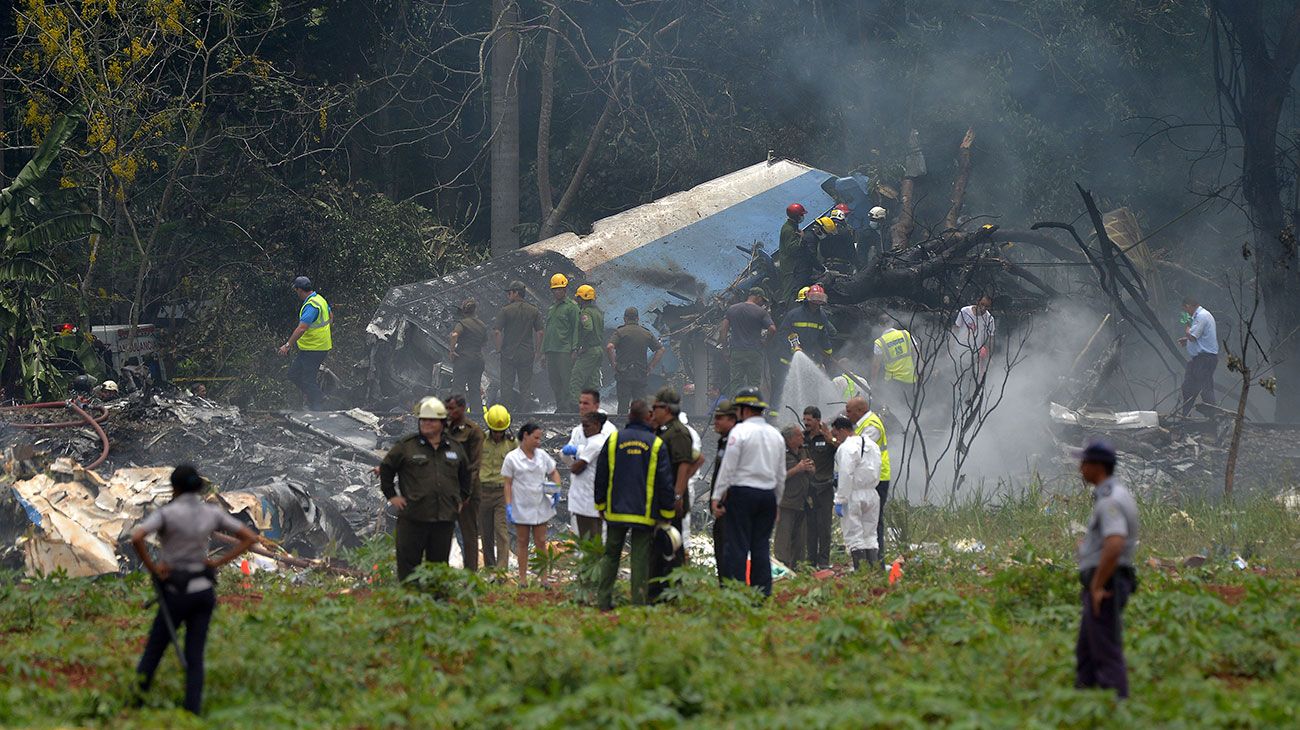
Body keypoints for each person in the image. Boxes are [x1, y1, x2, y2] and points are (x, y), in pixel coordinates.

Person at [130, 464, 257, 715]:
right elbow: (250, 538)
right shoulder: (210, 512)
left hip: (176, 592)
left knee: (155, 649)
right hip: (203, 591)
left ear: (175, 488)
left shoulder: (168, 514)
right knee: (195, 654)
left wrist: (154, 569)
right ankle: (192, 710)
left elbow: (137, 537)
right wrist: (217, 562)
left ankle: (136, 704)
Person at [593, 400, 675, 609]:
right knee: (639, 558)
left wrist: (600, 505)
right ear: (647, 417)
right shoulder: (655, 444)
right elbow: (665, 482)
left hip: (615, 511)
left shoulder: (613, 440)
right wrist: (667, 512)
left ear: (630, 416)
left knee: (611, 556)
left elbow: (601, 475)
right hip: (644, 512)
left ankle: (603, 601)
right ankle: (638, 603)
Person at [1074, 439, 1139, 699]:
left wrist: (1098, 585)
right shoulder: (1112, 494)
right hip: (1104, 580)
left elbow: (1114, 544)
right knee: (1087, 649)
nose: (1080, 468)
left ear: (1097, 466)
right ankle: (1084, 703)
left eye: (1084, 463)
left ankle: (1115, 708)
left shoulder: (1110, 501)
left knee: (1105, 649)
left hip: (1108, 584)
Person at [380, 397, 473, 580]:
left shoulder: (454, 448)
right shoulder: (407, 447)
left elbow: (465, 475)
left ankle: (436, 605)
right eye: (423, 419)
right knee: (409, 571)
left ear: (442, 422)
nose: (426, 423)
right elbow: (386, 468)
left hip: (443, 519)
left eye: (431, 420)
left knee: (438, 571)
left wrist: (461, 499)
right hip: (413, 518)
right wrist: (392, 496)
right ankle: (411, 605)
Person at [711, 388, 785, 597]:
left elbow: (728, 468)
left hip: (742, 493)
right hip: (767, 496)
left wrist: (717, 496)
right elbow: (781, 474)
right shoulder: (775, 435)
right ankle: (762, 593)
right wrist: (777, 502)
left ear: (743, 410)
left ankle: (737, 593)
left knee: (737, 545)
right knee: (761, 545)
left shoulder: (739, 433)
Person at [647, 387, 703, 601]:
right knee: (661, 544)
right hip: (661, 496)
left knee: (673, 545)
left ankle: (673, 590)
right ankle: (660, 589)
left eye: (657, 407)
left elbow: (683, 464)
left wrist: (677, 495)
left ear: (667, 408)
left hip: (671, 498)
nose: (654, 411)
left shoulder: (677, 432)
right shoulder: (663, 430)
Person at [501, 422, 562, 587]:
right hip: (521, 505)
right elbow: (507, 483)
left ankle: (543, 578)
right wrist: (508, 505)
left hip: (540, 504)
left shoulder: (542, 455)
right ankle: (522, 579)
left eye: (540, 438)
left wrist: (557, 489)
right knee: (522, 541)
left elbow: (553, 471)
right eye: (535, 438)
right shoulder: (512, 458)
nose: (538, 441)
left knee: (541, 541)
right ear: (525, 436)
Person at [560, 390, 619, 537]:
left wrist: (578, 451)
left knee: (599, 542)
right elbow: (568, 459)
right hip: (579, 494)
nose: (581, 406)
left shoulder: (608, 430)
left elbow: (607, 457)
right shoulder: (578, 430)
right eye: (580, 403)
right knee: (580, 543)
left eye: (586, 403)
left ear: (596, 405)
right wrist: (566, 455)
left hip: (599, 494)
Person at [831, 416, 882, 569]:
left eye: (836, 434)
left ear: (842, 430)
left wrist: (840, 500)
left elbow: (846, 473)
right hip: (872, 493)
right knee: (870, 535)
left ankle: (861, 572)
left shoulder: (846, 447)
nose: (835, 438)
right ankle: (874, 572)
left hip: (853, 495)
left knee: (854, 536)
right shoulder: (872, 445)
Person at [845, 395, 890, 567]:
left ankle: (876, 563)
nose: (846, 414)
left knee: (874, 522)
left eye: (849, 411)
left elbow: (856, 451)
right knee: (867, 521)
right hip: (869, 479)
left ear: (860, 410)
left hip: (878, 479)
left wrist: (835, 441)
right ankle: (869, 564)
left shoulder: (871, 425)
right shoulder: (863, 423)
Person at [278, 276, 331, 411]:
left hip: (314, 349)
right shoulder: (320, 300)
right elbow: (331, 317)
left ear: (300, 290)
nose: (297, 293)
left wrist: (287, 345)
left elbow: (302, 328)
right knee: (293, 374)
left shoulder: (311, 305)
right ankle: (316, 399)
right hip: (313, 348)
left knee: (308, 380)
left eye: (296, 291)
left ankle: (317, 404)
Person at [774, 283, 836, 399]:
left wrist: (828, 351)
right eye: (814, 299)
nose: (816, 303)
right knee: (785, 386)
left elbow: (823, 335)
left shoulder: (821, 316)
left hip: (810, 356)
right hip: (789, 358)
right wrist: (792, 347)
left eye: (819, 299)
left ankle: (810, 412)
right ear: (808, 299)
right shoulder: (794, 315)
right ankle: (776, 414)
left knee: (811, 388)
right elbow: (783, 334)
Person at [445, 395, 485, 571]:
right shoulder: (443, 429)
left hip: (467, 493)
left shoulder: (473, 431)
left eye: (452, 408)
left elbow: (475, 466)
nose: (449, 412)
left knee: (468, 535)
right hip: (447, 490)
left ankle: (471, 574)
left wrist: (466, 493)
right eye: (447, 408)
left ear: (462, 408)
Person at [494, 280, 543, 410]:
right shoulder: (534, 311)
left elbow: (497, 332)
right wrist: (538, 351)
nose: (508, 295)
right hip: (527, 354)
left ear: (516, 293)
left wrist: (498, 349)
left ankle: (506, 412)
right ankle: (524, 413)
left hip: (508, 354)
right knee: (525, 386)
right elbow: (540, 332)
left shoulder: (505, 310)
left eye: (510, 293)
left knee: (506, 385)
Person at [606, 306, 665, 413]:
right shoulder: (646, 333)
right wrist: (651, 366)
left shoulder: (620, 332)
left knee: (623, 404)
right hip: (640, 372)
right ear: (637, 318)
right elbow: (661, 349)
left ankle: (622, 425)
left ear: (625, 318)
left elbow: (610, 347)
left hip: (624, 373)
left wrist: (614, 364)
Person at [478, 404, 516, 569]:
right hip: (482, 492)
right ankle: (490, 568)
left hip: (502, 493)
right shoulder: (480, 441)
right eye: (495, 431)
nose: (498, 434)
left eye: (501, 431)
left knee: (501, 531)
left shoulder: (512, 444)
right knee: (486, 533)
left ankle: (501, 571)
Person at [719, 288, 776, 395]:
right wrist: (766, 342)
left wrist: (725, 349)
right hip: (754, 352)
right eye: (762, 300)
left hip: (737, 352)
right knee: (754, 384)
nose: (762, 303)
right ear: (757, 297)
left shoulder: (732, 309)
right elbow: (772, 329)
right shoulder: (761, 312)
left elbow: (723, 330)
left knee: (736, 383)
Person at [565, 410, 610, 541]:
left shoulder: (595, 443)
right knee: (595, 537)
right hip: (591, 496)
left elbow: (576, 468)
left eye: (587, 426)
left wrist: (573, 456)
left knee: (587, 538)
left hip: (586, 500)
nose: (584, 429)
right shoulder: (600, 441)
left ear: (596, 425)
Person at [802, 406, 838, 569]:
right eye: (804, 420)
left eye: (809, 420)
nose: (806, 423)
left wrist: (830, 438)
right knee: (810, 526)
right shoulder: (803, 438)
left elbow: (842, 450)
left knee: (824, 526)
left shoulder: (828, 438)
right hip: (808, 489)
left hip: (825, 488)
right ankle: (810, 561)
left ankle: (823, 561)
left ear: (818, 420)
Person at [774, 425, 815, 567]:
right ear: (790, 438)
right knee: (783, 538)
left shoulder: (803, 451)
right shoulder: (780, 453)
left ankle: (798, 567)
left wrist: (810, 469)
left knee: (799, 539)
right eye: (798, 435)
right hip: (786, 502)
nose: (802, 437)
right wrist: (797, 469)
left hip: (802, 501)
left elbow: (811, 469)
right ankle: (782, 566)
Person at [707, 399, 738, 580]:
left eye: (720, 418)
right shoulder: (724, 440)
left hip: (729, 506)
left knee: (728, 548)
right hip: (721, 504)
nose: (715, 422)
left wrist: (722, 500)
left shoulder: (734, 442)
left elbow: (732, 474)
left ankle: (730, 586)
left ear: (732, 419)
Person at [1177, 296, 1219, 417]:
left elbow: (1193, 336)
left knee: (1206, 388)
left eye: (1185, 310)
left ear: (1189, 306)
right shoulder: (1199, 316)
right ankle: (1185, 416)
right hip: (1199, 359)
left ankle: (1212, 419)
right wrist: (1187, 341)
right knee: (1188, 387)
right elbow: (1199, 337)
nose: (1186, 312)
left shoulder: (1202, 316)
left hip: (1205, 359)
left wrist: (1187, 325)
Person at [542, 273, 579, 408]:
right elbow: (548, 331)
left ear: (565, 289)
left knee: (566, 380)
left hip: (564, 350)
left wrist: (574, 348)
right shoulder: (552, 309)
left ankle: (569, 407)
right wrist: (544, 352)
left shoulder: (572, 307)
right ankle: (561, 407)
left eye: (560, 288)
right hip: (551, 350)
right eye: (555, 289)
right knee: (554, 381)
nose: (557, 291)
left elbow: (576, 328)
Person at [448, 298, 488, 414]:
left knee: (458, 388)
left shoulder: (462, 324)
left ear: (464, 311)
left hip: (463, 359)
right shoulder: (482, 325)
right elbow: (484, 342)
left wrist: (452, 351)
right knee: (474, 389)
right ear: (475, 310)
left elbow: (455, 335)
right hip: (478, 360)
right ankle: (477, 415)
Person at [568, 285, 605, 403]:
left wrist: (582, 345)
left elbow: (588, 328)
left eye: (578, 298)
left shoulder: (585, 312)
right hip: (598, 350)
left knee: (575, 379)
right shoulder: (598, 312)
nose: (577, 300)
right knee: (592, 382)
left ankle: (575, 408)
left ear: (582, 299)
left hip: (589, 351)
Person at [871, 314, 919, 397]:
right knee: (910, 406)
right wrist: (920, 373)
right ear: (892, 323)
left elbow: (876, 366)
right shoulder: (906, 334)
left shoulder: (879, 342)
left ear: (879, 326)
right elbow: (917, 355)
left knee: (894, 407)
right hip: (911, 379)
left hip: (893, 382)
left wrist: (873, 384)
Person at [776, 203, 814, 302]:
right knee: (789, 290)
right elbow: (792, 248)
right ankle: (784, 309)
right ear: (797, 216)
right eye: (801, 215)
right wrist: (802, 238)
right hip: (789, 266)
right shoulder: (789, 229)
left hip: (791, 264)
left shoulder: (791, 226)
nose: (803, 217)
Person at [953, 294, 995, 381]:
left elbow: (990, 340)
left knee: (971, 381)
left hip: (975, 357)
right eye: (982, 304)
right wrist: (951, 346)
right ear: (977, 302)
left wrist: (989, 357)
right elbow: (955, 329)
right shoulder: (965, 311)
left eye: (986, 306)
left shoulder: (990, 319)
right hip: (959, 352)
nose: (983, 308)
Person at [819, 206, 856, 273]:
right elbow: (851, 252)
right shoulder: (845, 232)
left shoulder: (825, 230)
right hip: (842, 266)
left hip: (826, 265)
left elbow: (823, 251)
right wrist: (857, 265)